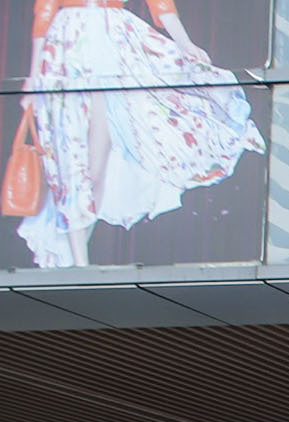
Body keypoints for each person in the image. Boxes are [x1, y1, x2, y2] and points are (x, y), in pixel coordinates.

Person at [14, 0, 267, 269]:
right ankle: (79, 263)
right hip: (67, 46)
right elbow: (45, 8)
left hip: (112, 44)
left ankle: (76, 259)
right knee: (72, 158)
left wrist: (184, 43)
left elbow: (160, 4)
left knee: (96, 167)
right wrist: (33, 76)